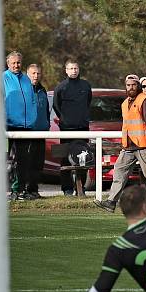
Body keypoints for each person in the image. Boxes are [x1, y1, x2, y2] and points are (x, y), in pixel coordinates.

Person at [94, 75, 146, 214]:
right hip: (128, 146)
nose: (131, 88)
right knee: (119, 171)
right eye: (128, 85)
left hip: (143, 145)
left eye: (133, 85)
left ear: (138, 86)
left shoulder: (143, 101)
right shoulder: (124, 103)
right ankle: (111, 202)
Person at [53, 59, 92, 196]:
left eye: (75, 68)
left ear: (79, 69)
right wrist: (66, 120)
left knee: (83, 159)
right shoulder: (60, 87)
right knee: (64, 159)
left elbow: (88, 102)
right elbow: (56, 106)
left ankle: (81, 189)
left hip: (82, 128)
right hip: (65, 129)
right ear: (66, 70)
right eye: (71, 68)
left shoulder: (86, 85)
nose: (74, 71)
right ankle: (67, 189)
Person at [3, 51, 37, 201]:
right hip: (8, 127)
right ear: (8, 64)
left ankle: (20, 190)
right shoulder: (2, 78)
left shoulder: (26, 80)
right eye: (13, 63)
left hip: (25, 127)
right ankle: (5, 190)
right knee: (6, 160)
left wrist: (32, 118)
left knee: (24, 160)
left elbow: (32, 101)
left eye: (18, 62)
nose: (16, 65)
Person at [26, 64, 50, 200]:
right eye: (33, 73)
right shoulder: (23, 89)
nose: (36, 76)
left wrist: (46, 124)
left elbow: (46, 109)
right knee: (27, 163)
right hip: (28, 132)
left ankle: (34, 190)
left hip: (41, 132)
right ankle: (25, 190)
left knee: (38, 163)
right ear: (28, 74)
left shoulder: (42, 90)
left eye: (38, 73)